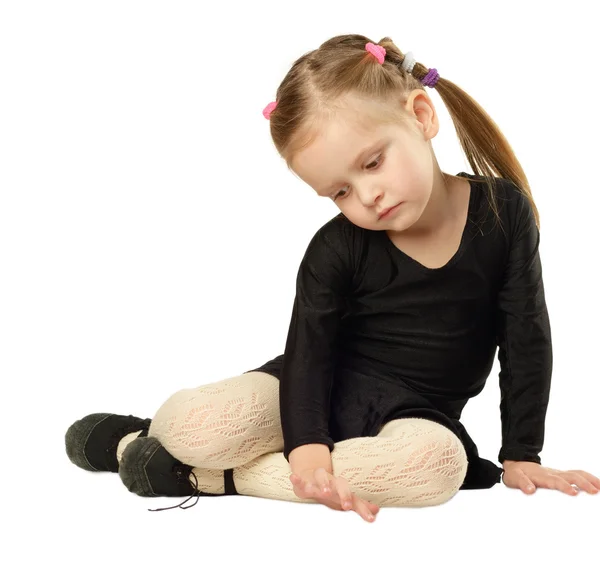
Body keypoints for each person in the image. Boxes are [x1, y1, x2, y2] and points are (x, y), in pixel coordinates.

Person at [65, 34, 600, 522]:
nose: (365, 197)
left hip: (415, 414)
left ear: (420, 115)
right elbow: (309, 353)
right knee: (191, 423)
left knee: (436, 468)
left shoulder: (505, 214)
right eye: (339, 192)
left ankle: (213, 476)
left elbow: (526, 336)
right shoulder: (335, 247)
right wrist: (308, 448)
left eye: (371, 164)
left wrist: (520, 454)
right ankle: (148, 441)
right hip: (315, 388)